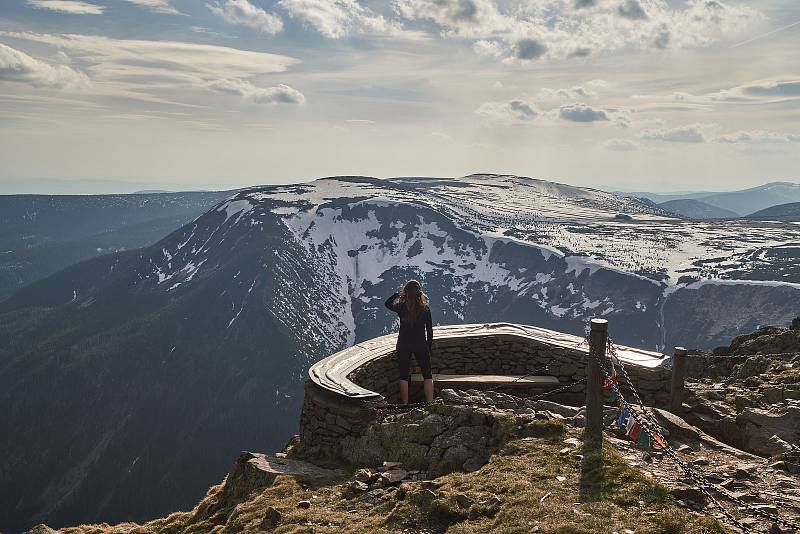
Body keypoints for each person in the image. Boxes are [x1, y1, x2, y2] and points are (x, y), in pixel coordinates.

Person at [385, 280, 434, 404]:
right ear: (419, 293)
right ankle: (430, 403)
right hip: (420, 344)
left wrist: (397, 295)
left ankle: (405, 403)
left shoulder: (401, 307)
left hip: (403, 344)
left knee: (403, 375)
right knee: (427, 375)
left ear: (406, 293)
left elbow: (387, 304)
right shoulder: (425, 309)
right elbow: (429, 330)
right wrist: (428, 348)